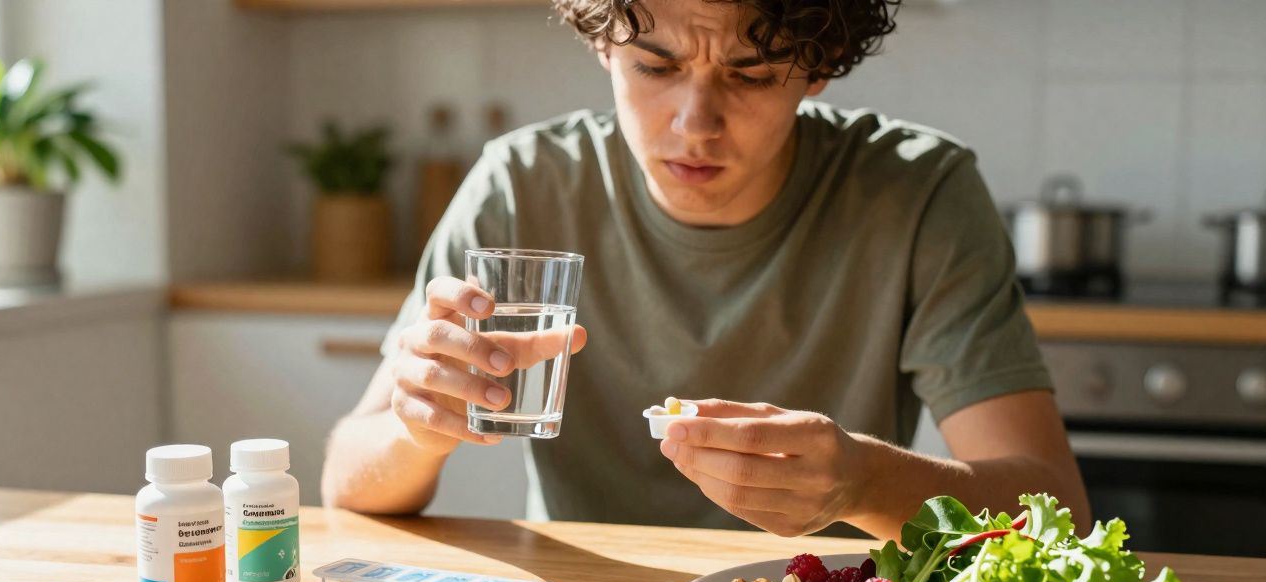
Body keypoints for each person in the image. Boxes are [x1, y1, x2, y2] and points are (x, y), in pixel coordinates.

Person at [321, 0, 1091, 540]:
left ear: (819, 66)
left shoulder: (918, 195)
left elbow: (1057, 510)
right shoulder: (522, 184)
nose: (695, 123)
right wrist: (416, 428)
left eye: (751, 76)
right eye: (655, 66)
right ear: (603, 43)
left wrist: (862, 482)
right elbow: (346, 485)